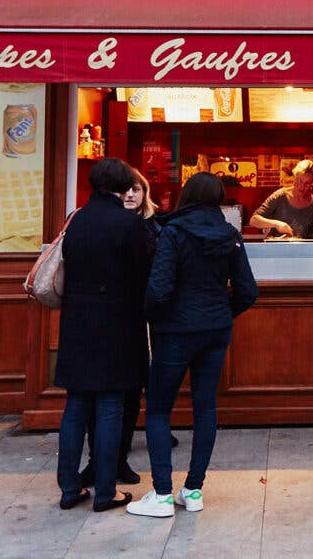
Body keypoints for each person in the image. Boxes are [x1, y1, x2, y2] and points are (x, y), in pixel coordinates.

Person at [127, 172, 258, 518]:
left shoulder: (173, 231)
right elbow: (248, 290)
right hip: (215, 330)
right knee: (205, 408)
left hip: (174, 331)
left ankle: (161, 494)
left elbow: (158, 288)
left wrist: (154, 317)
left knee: (158, 409)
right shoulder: (230, 235)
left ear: (187, 196)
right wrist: (221, 313)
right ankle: (194, 490)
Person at [56, 157, 150, 512]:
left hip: (77, 320)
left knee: (75, 406)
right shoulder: (129, 225)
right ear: (125, 186)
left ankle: (69, 488)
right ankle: (106, 492)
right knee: (111, 405)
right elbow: (143, 276)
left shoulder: (76, 221)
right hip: (118, 321)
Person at [80, 167, 160, 490]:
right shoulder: (97, 222)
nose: (130, 195)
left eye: (136, 190)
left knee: (130, 394)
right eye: (126, 190)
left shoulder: (153, 226)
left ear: (145, 194)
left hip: (137, 321)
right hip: (103, 322)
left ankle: (118, 458)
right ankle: (96, 461)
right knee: (96, 395)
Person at [249, 159, 313, 238]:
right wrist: (276, 224)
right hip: (278, 248)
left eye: (307, 183)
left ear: (312, 183)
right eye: (299, 181)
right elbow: (253, 220)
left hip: (302, 249)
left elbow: (312, 235)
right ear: (294, 177)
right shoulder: (280, 196)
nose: (302, 187)